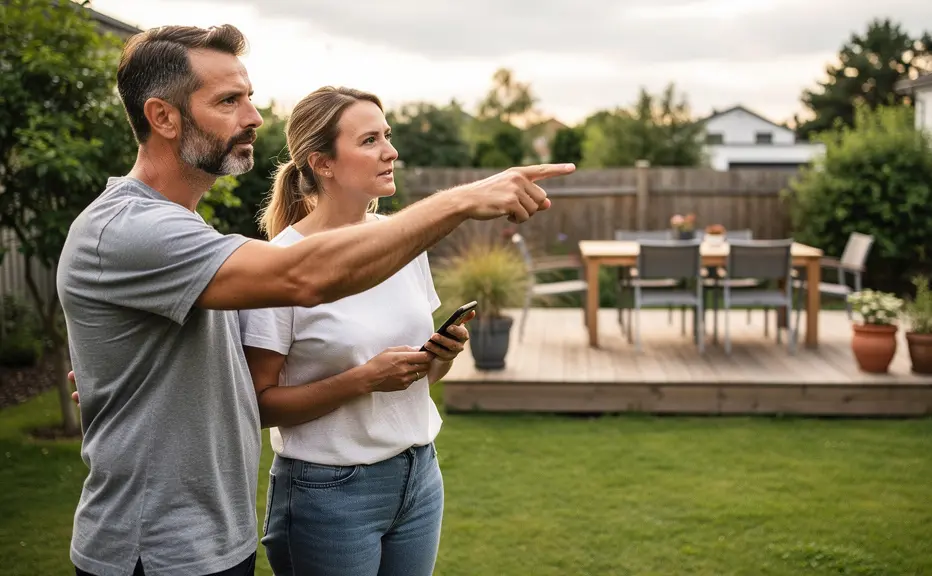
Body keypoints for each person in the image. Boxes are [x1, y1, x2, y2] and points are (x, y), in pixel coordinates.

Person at [56, 24, 573, 576]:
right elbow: (305, 276)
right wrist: (463, 201)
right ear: (163, 117)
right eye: (229, 101)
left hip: (214, 540)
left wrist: (120, 376)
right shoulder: (131, 228)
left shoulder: (184, 230)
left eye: (249, 97)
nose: (255, 117)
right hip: (156, 549)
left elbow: (207, 364)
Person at [238, 86, 468, 576]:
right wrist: (363, 380)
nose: (391, 151)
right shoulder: (278, 265)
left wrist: (441, 355)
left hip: (419, 475)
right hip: (330, 493)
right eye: (369, 140)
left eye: (387, 135)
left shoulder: (403, 243)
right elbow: (257, 405)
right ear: (322, 163)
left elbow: (422, 379)